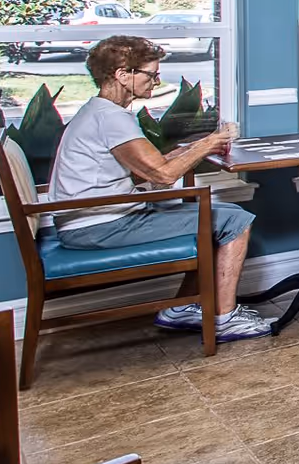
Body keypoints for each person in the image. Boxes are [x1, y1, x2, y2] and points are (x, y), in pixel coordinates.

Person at [49, 36, 272, 340]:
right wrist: (209, 142)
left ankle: (181, 308)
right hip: (100, 226)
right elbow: (163, 176)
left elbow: (146, 168)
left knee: (217, 217)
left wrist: (195, 148)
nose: (156, 81)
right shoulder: (112, 119)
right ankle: (225, 317)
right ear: (123, 75)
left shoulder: (99, 111)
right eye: (151, 74)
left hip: (94, 219)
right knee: (237, 220)